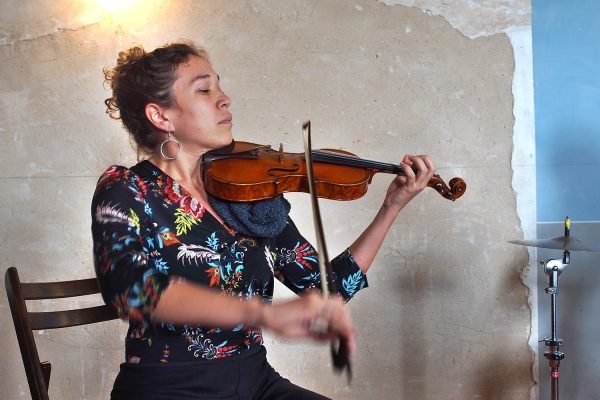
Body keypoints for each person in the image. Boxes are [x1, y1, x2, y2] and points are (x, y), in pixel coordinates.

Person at [92, 40, 435, 400]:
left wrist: (391, 208)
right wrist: (264, 314)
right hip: (168, 388)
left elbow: (328, 289)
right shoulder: (127, 189)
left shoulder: (247, 194)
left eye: (220, 87)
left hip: (256, 383)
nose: (224, 99)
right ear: (161, 116)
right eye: (204, 90)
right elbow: (130, 291)